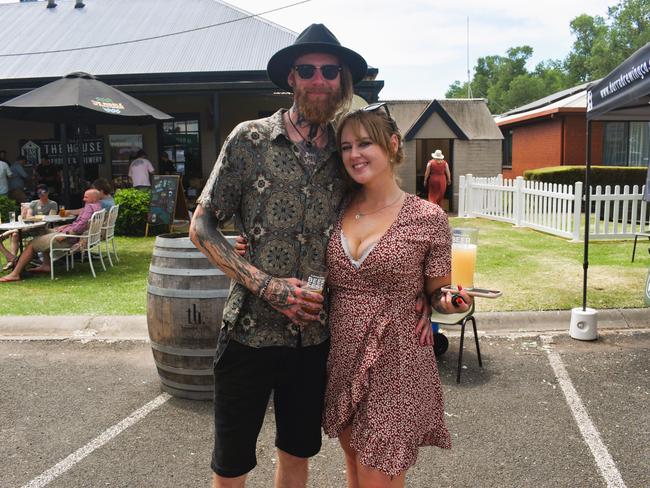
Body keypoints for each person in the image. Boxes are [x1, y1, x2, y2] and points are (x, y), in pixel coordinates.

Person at [190, 24, 434, 488]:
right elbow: (201, 226)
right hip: (249, 331)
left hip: (314, 337)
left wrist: (423, 289)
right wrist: (265, 283)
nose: (319, 79)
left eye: (329, 71)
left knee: (297, 452)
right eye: (307, 70)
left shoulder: (348, 154)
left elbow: (388, 217)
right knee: (231, 463)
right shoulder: (249, 140)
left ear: (342, 81)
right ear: (291, 78)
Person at [323, 105, 472, 487]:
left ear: (391, 145)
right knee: (354, 465)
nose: (354, 154)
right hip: (342, 354)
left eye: (365, 143)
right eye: (346, 147)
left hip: (397, 358)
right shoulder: (336, 209)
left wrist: (450, 302)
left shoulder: (428, 218)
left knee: (378, 474)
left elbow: (438, 292)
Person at [0, 189, 101, 282]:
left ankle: (15, 274)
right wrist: (66, 227)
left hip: (68, 239)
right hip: (72, 236)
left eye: (86, 197)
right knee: (42, 231)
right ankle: (46, 265)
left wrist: (66, 234)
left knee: (32, 244)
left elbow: (81, 225)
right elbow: (81, 224)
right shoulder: (97, 206)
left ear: (94, 198)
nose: (83, 199)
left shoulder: (89, 207)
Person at [0, 184, 58, 271]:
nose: (41, 195)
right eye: (39, 193)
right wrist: (26, 213)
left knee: (42, 234)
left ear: (48, 192)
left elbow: (51, 217)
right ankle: (13, 260)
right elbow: (28, 216)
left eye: (43, 192)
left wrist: (35, 218)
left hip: (42, 228)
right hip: (30, 228)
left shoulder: (52, 204)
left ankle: (45, 263)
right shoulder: (33, 203)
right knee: (15, 235)